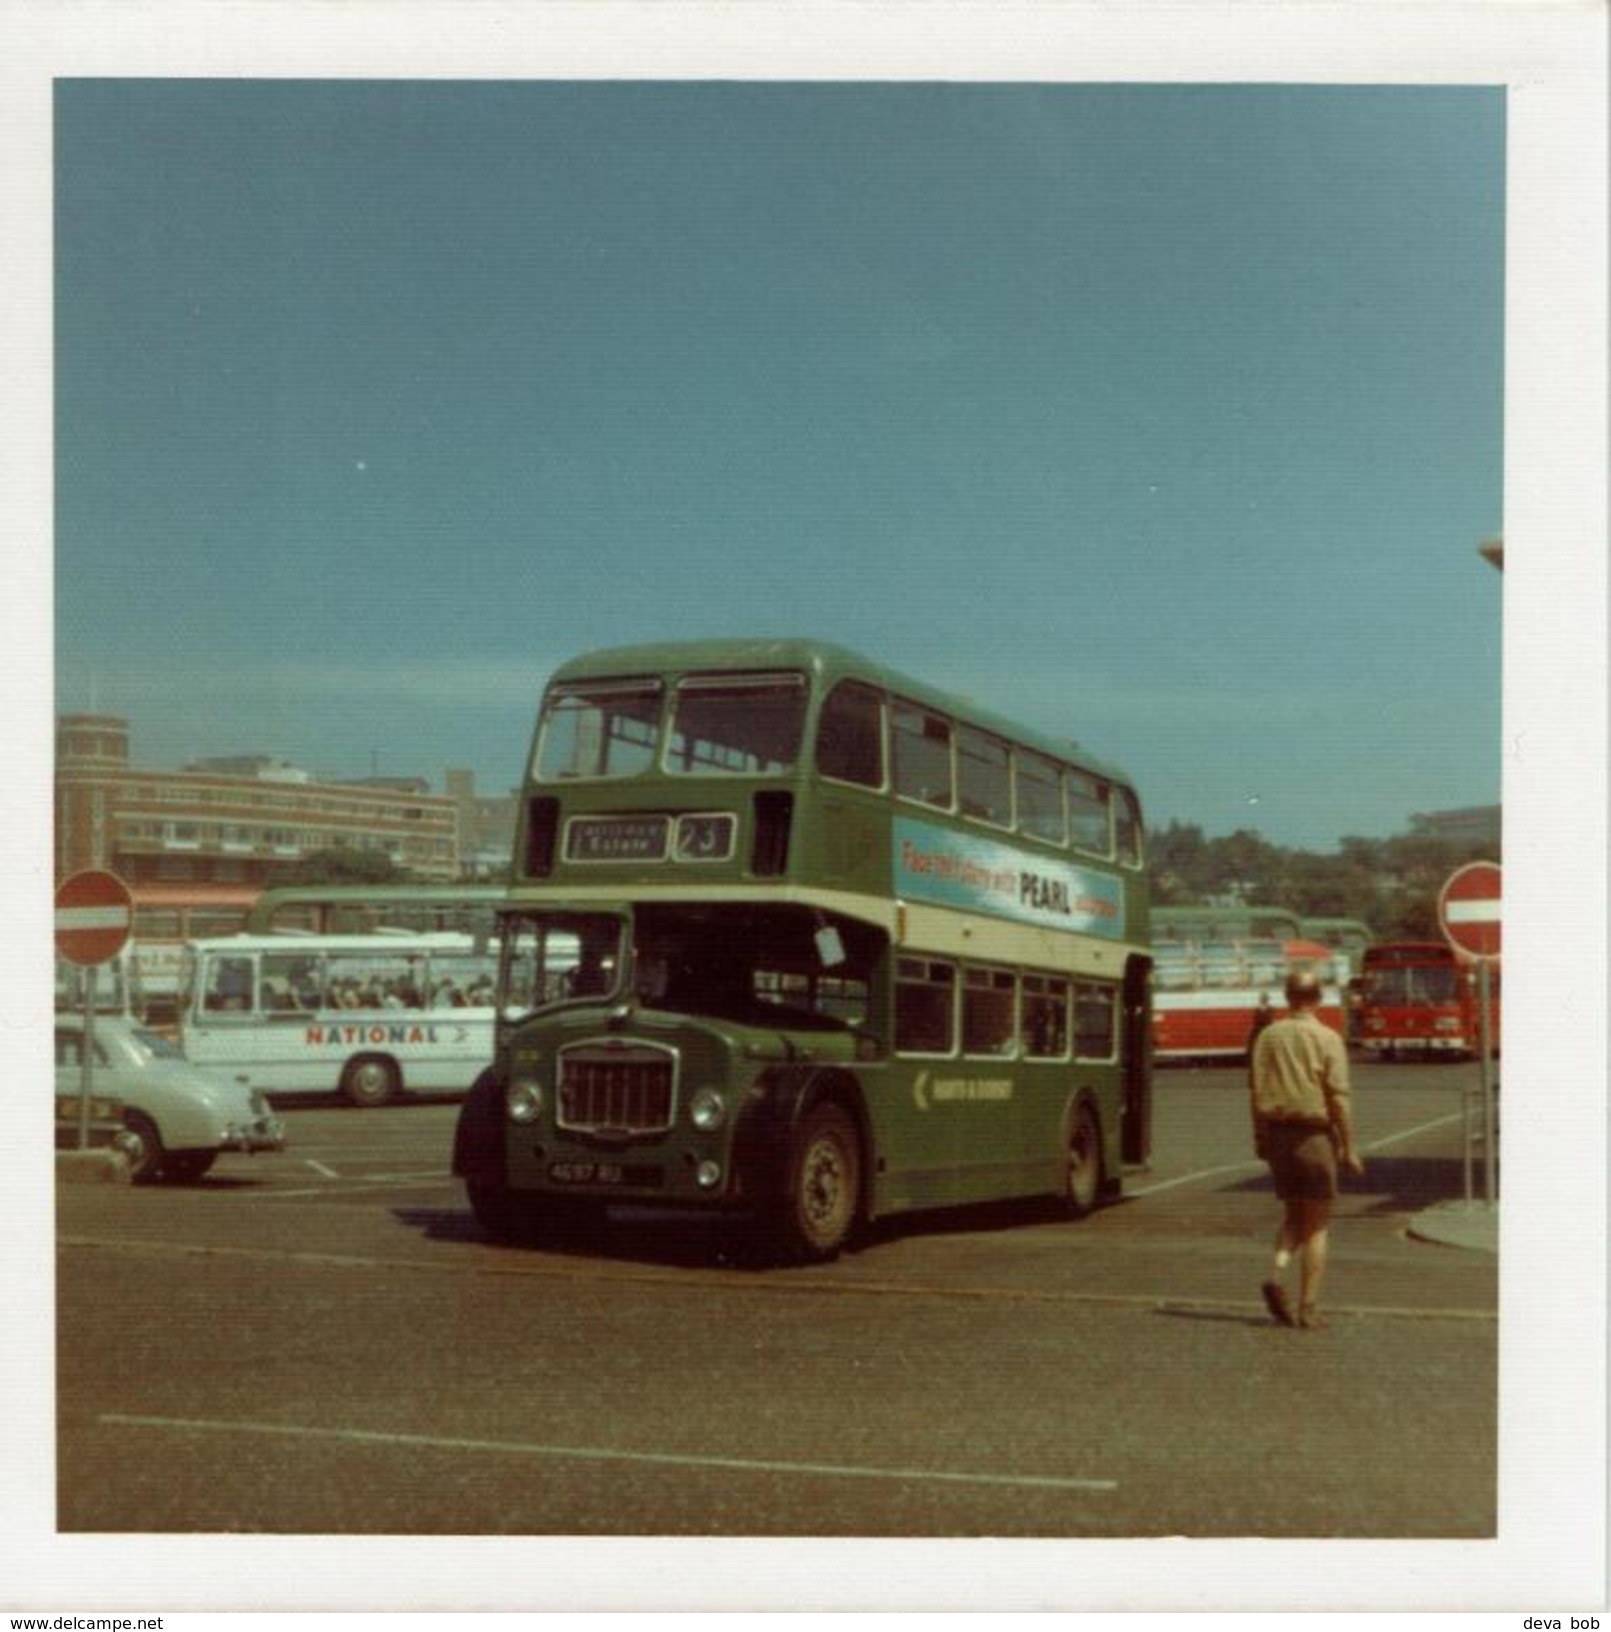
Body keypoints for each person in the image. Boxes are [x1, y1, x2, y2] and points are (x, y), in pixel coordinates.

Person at [1250, 967, 1364, 1331]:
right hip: (1314, 1137)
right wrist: (1348, 1147)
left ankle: (1276, 1272)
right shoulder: (1328, 1038)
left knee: (1293, 1216)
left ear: (1287, 998)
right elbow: (1339, 1098)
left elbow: (1255, 1092)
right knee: (1317, 1225)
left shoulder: (1267, 1037)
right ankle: (1308, 1307)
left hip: (1278, 1136)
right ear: (1317, 999)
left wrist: (1261, 1138)